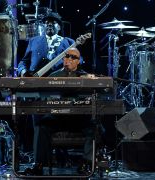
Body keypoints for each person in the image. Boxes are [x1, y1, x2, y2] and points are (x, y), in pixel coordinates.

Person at [21, 48, 97, 176]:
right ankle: (38, 165)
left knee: (95, 127)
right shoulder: (53, 76)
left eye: (73, 57)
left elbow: (92, 97)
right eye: (67, 56)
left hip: (78, 118)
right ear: (63, 59)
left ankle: (86, 164)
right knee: (41, 127)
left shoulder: (85, 76)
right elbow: (45, 97)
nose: (69, 59)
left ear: (79, 61)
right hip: (58, 117)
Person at [17, 12, 80, 77]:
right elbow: (23, 62)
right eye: (47, 22)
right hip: (35, 78)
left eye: (54, 22)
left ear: (59, 27)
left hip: (58, 79)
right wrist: (23, 71)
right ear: (43, 26)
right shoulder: (33, 41)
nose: (49, 24)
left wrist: (70, 66)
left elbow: (79, 60)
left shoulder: (68, 42)